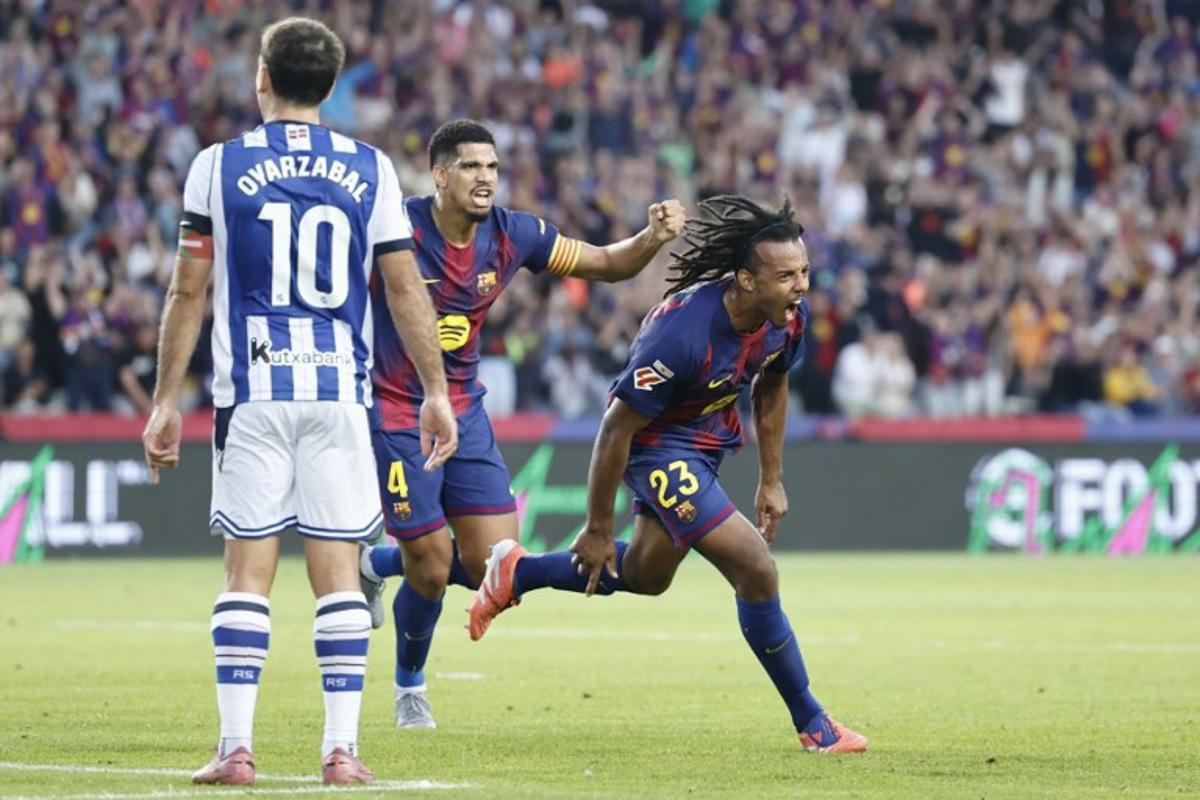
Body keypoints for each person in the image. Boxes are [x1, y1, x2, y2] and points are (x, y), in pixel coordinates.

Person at [141, 18, 457, 787]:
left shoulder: (216, 167)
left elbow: (190, 288)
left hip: (250, 395)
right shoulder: (371, 169)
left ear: (262, 77)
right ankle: (341, 752)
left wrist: (162, 400)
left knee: (247, 575)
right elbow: (403, 285)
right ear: (331, 85)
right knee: (339, 576)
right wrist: (437, 390)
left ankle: (237, 750)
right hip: (339, 397)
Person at [468, 195, 868, 754]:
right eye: (785, 276)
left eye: (803, 272)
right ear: (747, 282)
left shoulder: (786, 320)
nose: (800, 286)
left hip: (704, 444)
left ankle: (520, 571)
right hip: (654, 446)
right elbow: (614, 430)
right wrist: (598, 526)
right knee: (756, 569)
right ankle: (814, 724)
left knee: (649, 574)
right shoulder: (683, 334)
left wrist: (771, 478)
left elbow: (771, 384)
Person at [357, 119, 684, 729]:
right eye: (471, 167)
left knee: (495, 567)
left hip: (465, 408)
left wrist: (653, 237)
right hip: (397, 408)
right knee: (430, 568)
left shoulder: (514, 233)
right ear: (439, 174)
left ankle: (375, 564)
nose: (485, 178)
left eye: (492, 167)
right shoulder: (393, 227)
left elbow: (607, 263)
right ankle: (410, 686)